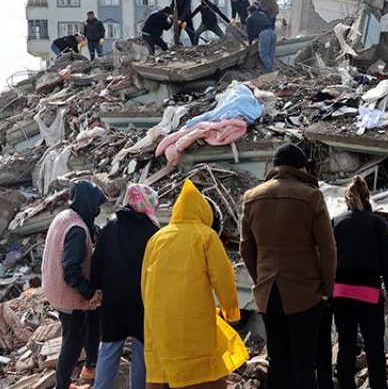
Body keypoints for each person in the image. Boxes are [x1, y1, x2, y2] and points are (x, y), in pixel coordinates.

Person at [239, 143, 336, 389]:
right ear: (300, 166)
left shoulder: (251, 198)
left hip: (268, 293)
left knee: (278, 360)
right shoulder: (311, 196)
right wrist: (327, 289)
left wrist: (261, 281)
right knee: (304, 362)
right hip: (305, 292)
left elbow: (246, 249)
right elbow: (327, 248)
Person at [142, 180, 244, 389]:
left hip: (158, 319)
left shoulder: (157, 238)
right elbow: (223, 278)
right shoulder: (206, 236)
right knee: (200, 373)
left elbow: (144, 282)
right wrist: (231, 312)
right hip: (192, 320)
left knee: (164, 370)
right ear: (205, 212)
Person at [330, 176, 388, 389]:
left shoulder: (336, 222)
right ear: (367, 197)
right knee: (374, 348)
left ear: (347, 199)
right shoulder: (377, 224)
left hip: (341, 293)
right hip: (369, 293)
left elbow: (327, 258)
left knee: (346, 345)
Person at [91, 184, 159, 389]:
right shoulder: (152, 231)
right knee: (141, 351)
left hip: (112, 300)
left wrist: (96, 288)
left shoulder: (111, 225)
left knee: (109, 348)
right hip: (141, 301)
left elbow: (97, 259)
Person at [41, 180, 106, 389]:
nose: (97, 211)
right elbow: (71, 271)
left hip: (52, 285)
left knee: (89, 320)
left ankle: (90, 365)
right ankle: (63, 384)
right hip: (65, 294)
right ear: (88, 204)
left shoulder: (67, 216)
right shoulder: (77, 231)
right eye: (96, 206)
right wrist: (89, 293)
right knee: (73, 341)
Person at [245, 5, 277, 72]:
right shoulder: (262, 14)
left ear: (249, 12)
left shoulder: (250, 18)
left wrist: (250, 42)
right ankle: (271, 69)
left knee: (263, 53)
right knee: (271, 52)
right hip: (273, 32)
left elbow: (249, 32)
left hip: (264, 34)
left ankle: (270, 69)